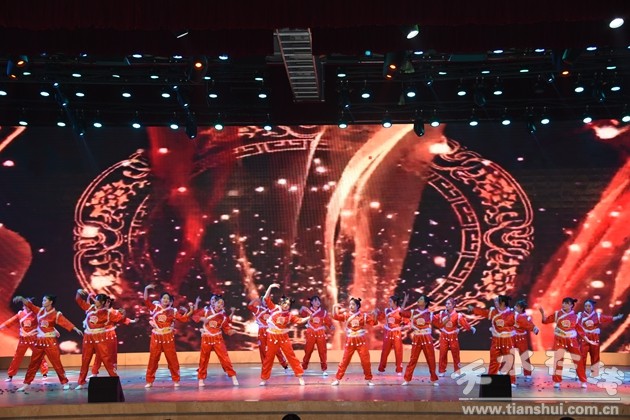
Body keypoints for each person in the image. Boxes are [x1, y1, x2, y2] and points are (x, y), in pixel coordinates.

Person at [13, 295, 83, 392]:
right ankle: (26, 383)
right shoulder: (39, 311)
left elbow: (65, 322)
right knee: (33, 363)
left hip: (50, 341)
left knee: (56, 363)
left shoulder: (55, 314)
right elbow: (30, 305)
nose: (43, 302)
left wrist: (75, 329)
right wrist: (21, 298)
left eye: (45, 300)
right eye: (43, 300)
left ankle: (65, 382)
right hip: (39, 341)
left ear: (50, 302)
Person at [74, 289, 135, 390]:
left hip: (100, 337)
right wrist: (78, 293)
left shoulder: (107, 313)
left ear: (102, 302)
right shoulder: (90, 308)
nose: (95, 301)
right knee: (85, 359)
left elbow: (119, 318)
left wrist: (123, 313)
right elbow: (79, 301)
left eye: (97, 300)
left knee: (106, 359)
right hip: (88, 337)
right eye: (95, 299)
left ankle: (115, 379)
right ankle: (81, 381)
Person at [259, 283, 310, 386]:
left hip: (283, 337)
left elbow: (300, 320)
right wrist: (270, 287)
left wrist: (310, 317)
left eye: (288, 304)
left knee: (291, 356)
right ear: (281, 303)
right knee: (269, 358)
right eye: (285, 303)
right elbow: (266, 298)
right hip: (272, 336)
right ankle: (264, 378)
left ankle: (300, 376)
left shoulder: (289, 315)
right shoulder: (274, 309)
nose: (286, 306)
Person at [143, 284, 193, 388]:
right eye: (164, 298)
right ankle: (149, 381)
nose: (166, 300)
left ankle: (176, 380)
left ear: (170, 301)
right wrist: (146, 289)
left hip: (168, 337)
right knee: (153, 359)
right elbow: (146, 300)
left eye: (168, 299)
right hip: (156, 337)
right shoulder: (155, 307)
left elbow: (183, 319)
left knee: (172, 358)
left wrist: (191, 310)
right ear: (160, 299)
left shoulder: (173, 311)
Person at [468, 295, 517, 386]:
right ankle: (491, 379)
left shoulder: (511, 313)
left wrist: (533, 328)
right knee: (494, 360)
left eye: (497, 301)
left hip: (507, 340)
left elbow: (521, 322)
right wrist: (474, 309)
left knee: (509, 360)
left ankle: (511, 381)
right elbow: (484, 312)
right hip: (496, 340)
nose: (495, 303)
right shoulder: (493, 312)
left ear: (503, 303)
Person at [192, 294, 239, 387]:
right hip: (206, 338)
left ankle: (233, 377)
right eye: (218, 303)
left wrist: (231, 331)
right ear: (214, 303)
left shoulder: (223, 316)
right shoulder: (206, 311)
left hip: (217, 338)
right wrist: (201, 318)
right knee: (203, 359)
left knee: (225, 358)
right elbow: (194, 316)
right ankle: (201, 379)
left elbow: (226, 329)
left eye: (222, 304)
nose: (219, 305)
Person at [576, 299, 624, 388]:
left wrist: (617, 317)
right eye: (586, 306)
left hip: (594, 338)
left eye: (589, 306)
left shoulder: (597, 316)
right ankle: (581, 376)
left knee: (595, 356)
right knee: (582, 357)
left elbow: (607, 318)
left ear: (592, 307)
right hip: (584, 338)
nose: (587, 307)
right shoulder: (580, 316)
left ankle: (595, 374)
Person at [331, 297, 379, 386]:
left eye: (353, 304)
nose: (351, 306)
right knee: (345, 361)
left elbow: (374, 323)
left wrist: (375, 315)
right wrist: (334, 307)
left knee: (365, 361)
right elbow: (335, 316)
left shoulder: (363, 316)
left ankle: (369, 380)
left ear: (357, 306)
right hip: (350, 341)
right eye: (350, 304)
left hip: (361, 341)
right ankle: (337, 379)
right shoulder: (346, 315)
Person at [539, 297, 585, 388]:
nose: (563, 305)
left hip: (572, 340)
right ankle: (557, 381)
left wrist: (587, 339)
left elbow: (580, 330)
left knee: (578, 359)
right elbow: (545, 321)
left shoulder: (576, 317)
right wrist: (542, 313)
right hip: (560, 339)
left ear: (571, 305)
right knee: (558, 360)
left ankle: (583, 380)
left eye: (566, 303)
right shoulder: (557, 314)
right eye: (563, 303)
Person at [0, 298, 49, 382]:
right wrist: (2, 326)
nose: (27, 306)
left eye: (29, 305)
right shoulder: (20, 314)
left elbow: (44, 322)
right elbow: (11, 321)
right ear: (23, 306)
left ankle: (44, 373)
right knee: (17, 357)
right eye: (26, 305)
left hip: (34, 338)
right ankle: (10, 375)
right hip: (23, 338)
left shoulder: (36, 313)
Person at [89, 296, 136, 377]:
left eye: (108, 302)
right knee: (99, 354)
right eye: (106, 302)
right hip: (101, 335)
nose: (106, 303)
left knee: (111, 353)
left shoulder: (113, 312)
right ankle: (94, 372)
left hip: (110, 335)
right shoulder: (99, 311)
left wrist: (131, 320)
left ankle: (112, 372)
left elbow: (121, 319)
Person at [401, 294, 439, 386]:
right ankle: (407, 379)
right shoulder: (413, 312)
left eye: (421, 299)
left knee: (431, 358)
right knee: (413, 359)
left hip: (426, 337)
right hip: (417, 337)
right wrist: (405, 300)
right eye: (419, 299)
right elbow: (402, 312)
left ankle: (434, 379)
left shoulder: (430, 314)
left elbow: (439, 324)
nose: (418, 300)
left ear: (425, 303)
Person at [247, 296, 290, 372]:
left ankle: (285, 366)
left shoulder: (273, 309)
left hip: (271, 330)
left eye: (266, 300)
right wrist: (256, 299)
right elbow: (249, 306)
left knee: (276, 349)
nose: (265, 302)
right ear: (261, 301)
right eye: (264, 300)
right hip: (262, 331)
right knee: (263, 349)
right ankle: (265, 368)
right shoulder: (258, 309)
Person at [435, 297, 475, 377]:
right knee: (442, 354)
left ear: (453, 305)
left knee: (455, 354)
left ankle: (457, 371)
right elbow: (434, 319)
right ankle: (441, 370)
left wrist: (470, 328)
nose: (446, 305)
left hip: (453, 336)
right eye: (446, 303)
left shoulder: (457, 315)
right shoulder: (442, 314)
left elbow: (464, 323)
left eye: (448, 303)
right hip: (444, 336)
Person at [299, 295, 333, 376]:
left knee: (322, 351)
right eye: (315, 301)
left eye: (318, 301)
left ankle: (324, 369)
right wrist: (302, 308)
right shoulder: (308, 311)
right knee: (308, 351)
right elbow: (301, 315)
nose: (317, 302)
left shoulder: (323, 312)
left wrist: (331, 326)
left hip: (320, 332)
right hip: (311, 332)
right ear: (311, 302)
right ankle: (303, 368)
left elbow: (328, 321)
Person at [377, 293, 409, 375]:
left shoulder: (400, 311)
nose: (389, 303)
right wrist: (377, 313)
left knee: (398, 351)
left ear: (395, 302)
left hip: (396, 333)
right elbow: (381, 317)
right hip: (388, 332)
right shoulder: (387, 311)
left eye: (390, 301)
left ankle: (399, 369)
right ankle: (381, 369)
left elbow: (407, 322)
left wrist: (401, 327)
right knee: (385, 351)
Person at [513, 299, 539, 382]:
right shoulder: (512, 314)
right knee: (507, 354)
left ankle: (527, 373)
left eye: (517, 306)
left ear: (521, 309)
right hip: (512, 336)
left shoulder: (526, 318)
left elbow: (530, 325)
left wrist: (534, 329)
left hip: (521, 338)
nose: (515, 307)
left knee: (524, 356)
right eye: (515, 305)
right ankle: (504, 371)